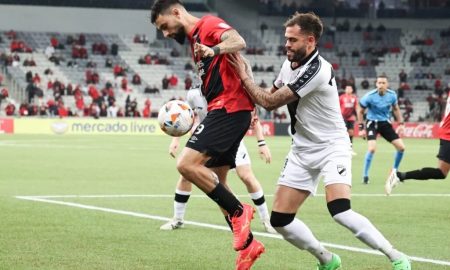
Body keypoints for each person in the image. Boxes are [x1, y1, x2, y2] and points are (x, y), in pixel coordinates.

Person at [228, 12, 411, 270]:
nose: (287, 45)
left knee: (340, 211)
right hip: (302, 148)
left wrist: (245, 76)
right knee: (280, 219)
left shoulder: (318, 69)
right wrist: (250, 109)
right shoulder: (288, 64)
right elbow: (269, 95)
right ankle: (327, 260)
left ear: (311, 41)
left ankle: (396, 256)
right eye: (286, 39)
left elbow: (270, 101)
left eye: (293, 40)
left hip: (331, 146)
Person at [151, 1, 265, 269]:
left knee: (186, 165)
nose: (166, 34)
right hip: (226, 108)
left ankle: (240, 211)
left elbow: (238, 40)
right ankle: (249, 247)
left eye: (165, 26)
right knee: (219, 182)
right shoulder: (195, 40)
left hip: (229, 108)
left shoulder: (208, 25)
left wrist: (214, 49)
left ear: (177, 12)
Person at [160, 87, 276, 234]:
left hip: (232, 137)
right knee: (186, 175)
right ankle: (178, 219)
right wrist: (175, 140)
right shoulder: (193, 94)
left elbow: (254, 119)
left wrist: (262, 143)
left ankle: (266, 220)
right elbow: (185, 117)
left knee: (246, 176)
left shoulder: (229, 89)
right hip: (207, 139)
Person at [385, 91, 450, 195]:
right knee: (441, 172)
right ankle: (398, 176)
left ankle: (399, 176)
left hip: (446, 132)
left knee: (441, 173)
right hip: (448, 134)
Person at [357, 75, 406, 185]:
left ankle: (394, 172)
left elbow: (396, 109)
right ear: (376, 84)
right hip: (372, 123)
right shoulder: (369, 96)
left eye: (383, 83)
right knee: (372, 149)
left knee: (401, 148)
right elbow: (360, 110)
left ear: (387, 85)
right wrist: (361, 128)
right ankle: (365, 175)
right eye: (379, 83)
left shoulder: (392, 95)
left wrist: (401, 123)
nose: (381, 85)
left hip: (385, 124)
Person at [339, 85, 358, 155]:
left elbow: (356, 107)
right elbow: (337, 106)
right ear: (345, 90)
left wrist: (357, 116)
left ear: (352, 90)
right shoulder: (341, 97)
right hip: (342, 117)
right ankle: (342, 148)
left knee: (351, 132)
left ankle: (350, 148)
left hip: (351, 117)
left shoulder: (354, 98)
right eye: (347, 88)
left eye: (350, 88)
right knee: (343, 133)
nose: (348, 89)